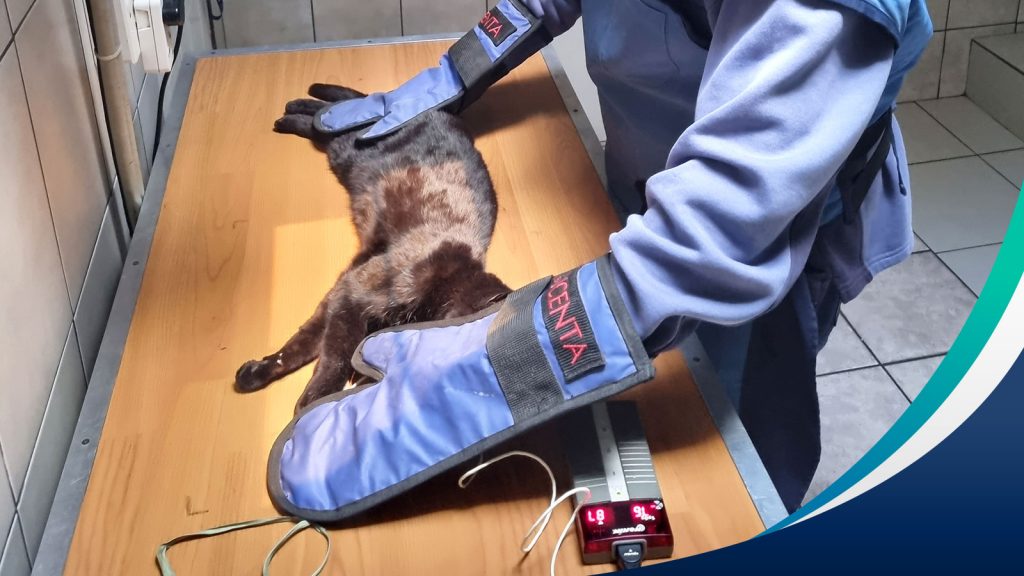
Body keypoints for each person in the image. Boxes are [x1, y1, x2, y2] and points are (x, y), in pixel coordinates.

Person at [268, 0, 934, 521]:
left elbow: (714, 236)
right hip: (649, 177)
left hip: (767, 222)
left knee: (730, 450)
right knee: (632, 387)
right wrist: (451, 76)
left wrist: (483, 376)